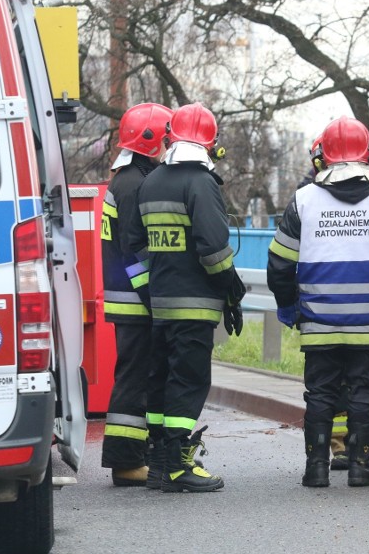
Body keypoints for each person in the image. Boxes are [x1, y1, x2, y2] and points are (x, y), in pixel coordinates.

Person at [267, 116, 369, 488]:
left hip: (318, 321)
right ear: (366, 154)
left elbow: (278, 263)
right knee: (364, 394)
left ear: (325, 155)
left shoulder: (303, 201)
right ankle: (361, 466)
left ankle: (316, 468)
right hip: (367, 323)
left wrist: (289, 306)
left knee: (320, 392)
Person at [128, 102, 242, 493]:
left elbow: (136, 245)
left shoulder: (151, 180)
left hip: (160, 305)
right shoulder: (201, 183)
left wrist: (154, 288)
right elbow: (212, 249)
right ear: (210, 143)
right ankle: (178, 466)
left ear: (170, 136)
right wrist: (230, 286)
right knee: (188, 381)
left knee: (160, 381)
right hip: (195, 305)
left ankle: (159, 462)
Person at [100, 102, 173, 487]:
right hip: (134, 299)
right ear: (153, 140)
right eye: (167, 137)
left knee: (140, 375)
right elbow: (134, 251)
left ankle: (136, 455)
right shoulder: (132, 183)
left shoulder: (131, 176)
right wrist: (155, 298)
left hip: (130, 297)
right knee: (134, 378)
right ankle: (126, 462)